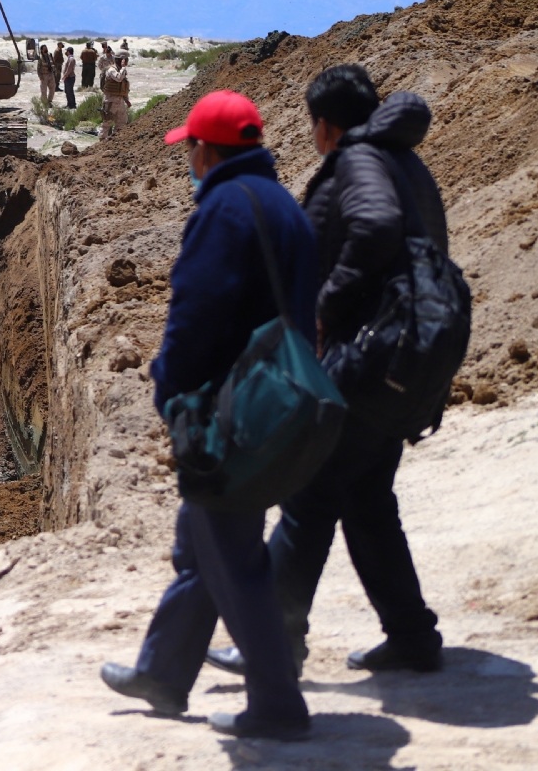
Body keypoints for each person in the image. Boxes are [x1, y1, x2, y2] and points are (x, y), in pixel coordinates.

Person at [206, 65, 446, 679]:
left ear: (325, 124)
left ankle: (272, 643)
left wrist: (325, 306)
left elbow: (373, 228)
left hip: (367, 362)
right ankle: (412, 637)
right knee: (366, 501)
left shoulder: (360, 162)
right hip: (398, 364)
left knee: (309, 496)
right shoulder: (404, 164)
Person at [100, 90, 317, 742]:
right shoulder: (282, 203)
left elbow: (195, 315)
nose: (187, 158)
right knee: (201, 545)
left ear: (205, 148)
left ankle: (278, 705)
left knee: (234, 558)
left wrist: (170, 390)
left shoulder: (224, 211)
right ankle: (163, 673)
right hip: (274, 398)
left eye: (188, 147)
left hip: (230, 409)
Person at [99, 54, 131, 138]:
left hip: (120, 101)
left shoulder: (121, 70)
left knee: (122, 122)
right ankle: (101, 142)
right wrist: (123, 67)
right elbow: (119, 78)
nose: (126, 63)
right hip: (110, 101)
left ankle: (115, 140)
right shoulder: (111, 70)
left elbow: (123, 87)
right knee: (107, 123)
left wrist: (126, 100)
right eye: (125, 61)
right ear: (120, 60)